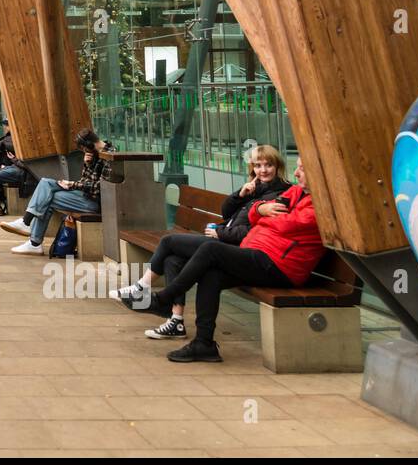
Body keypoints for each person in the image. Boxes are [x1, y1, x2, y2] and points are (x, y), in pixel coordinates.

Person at [117, 158, 324, 363]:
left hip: (280, 267)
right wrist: (261, 210)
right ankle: (204, 344)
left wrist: (264, 215)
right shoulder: (296, 192)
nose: (296, 173)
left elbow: (287, 225)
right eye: (297, 168)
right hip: (257, 255)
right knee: (211, 273)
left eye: (302, 169)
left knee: (211, 249)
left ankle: (165, 299)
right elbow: (254, 213)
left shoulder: (320, 204)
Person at [110, 145, 291, 339]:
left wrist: (221, 233)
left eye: (268, 165)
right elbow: (226, 211)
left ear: (277, 166)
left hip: (235, 248)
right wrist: (240, 194)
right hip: (223, 240)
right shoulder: (256, 187)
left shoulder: (280, 194)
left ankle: (141, 288)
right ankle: (176, 321)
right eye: (258, 165)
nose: (263, 170)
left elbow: (256, 232)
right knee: (172, 260)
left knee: (169, 241)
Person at [10, 128, 112, 252]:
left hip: (93, 202)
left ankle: (33, 240)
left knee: (46, 198)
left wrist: (72, 184)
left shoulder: (109, 157)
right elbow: (86, 180)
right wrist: (87, 165)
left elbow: (99, 188)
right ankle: (26, 225)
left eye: (84, 149)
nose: (84, 152)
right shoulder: (95, 153)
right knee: (45, 183)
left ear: (89, 145)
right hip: (84, 195)